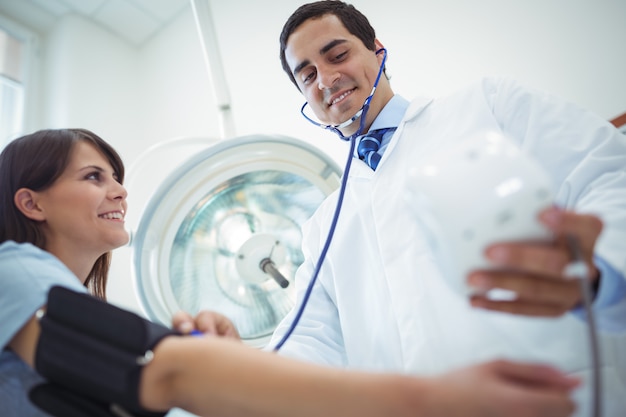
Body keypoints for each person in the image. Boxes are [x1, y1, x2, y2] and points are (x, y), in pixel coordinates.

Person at [0, 128, 581, 417]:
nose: (120, 190)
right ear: (31, 202)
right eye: (94, 177)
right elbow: (165, 375)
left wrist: (216, 356)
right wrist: (432, 399)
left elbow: (157, 380)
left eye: (117, 176)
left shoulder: (59, 309)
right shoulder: (9, 273)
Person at [268, 1, 626, 416]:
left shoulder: (488, 106)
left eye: (338, 55)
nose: (326, 79)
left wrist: (603, 270)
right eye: (307, 75)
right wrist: (233, 371)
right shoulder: (322, 225)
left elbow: (608, 174)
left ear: (377, 50)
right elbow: (309, 337)